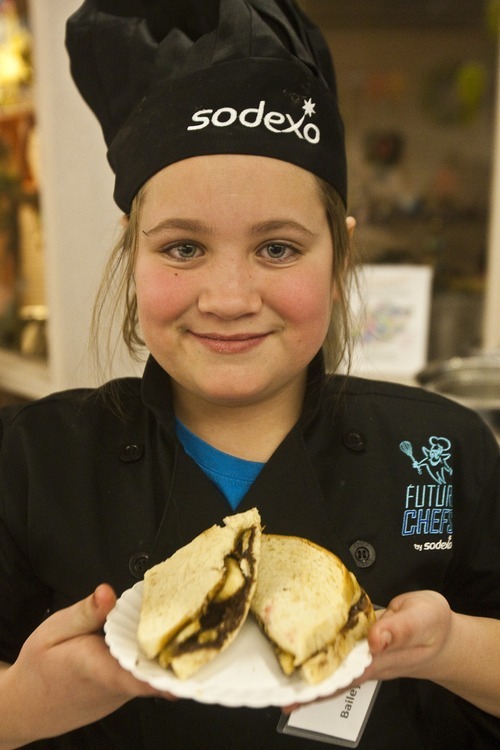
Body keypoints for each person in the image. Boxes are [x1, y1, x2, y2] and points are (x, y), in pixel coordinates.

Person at [0, 1, 499, 748]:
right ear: (132, 253)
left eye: (277, 249)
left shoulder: (444, 448)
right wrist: (22, 705)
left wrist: (451, 645)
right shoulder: (36, 457)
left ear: (338, 256)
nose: (228, 299)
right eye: (182, 249)